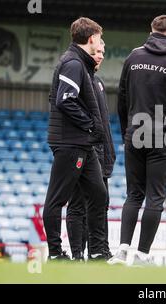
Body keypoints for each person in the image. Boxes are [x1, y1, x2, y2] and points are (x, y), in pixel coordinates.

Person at [108, 15, 166, 266]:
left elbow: (122, 97)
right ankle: (142, 255)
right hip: (164, 137)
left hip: (135, 134)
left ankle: (122, 251)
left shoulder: (134, 56)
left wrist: (127, 131)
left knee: (133, 195)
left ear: (152, 30)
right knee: (155, 198)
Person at [43, 17, 108, 261]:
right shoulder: (72, 63)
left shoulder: (81, 63)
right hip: (70, 143)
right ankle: (56, 253)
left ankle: (98, 251)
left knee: (99, 195)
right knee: (57, 199)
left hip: (84, 143)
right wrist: (90, 126)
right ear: (91, 39)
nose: (100, 44)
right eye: (99, 39)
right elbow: (65, 99)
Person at [66, 39, 116, 261]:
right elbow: (68, 108)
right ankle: (77, 255)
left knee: (101, 203)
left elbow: (103, 123)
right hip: (83, 151)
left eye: (103, 52)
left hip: (101, 155)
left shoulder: (99, 82)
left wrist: (109, 152)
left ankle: (100, 250)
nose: (101, 55)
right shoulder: (79, 77)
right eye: (97, 51)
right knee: (78, 204)